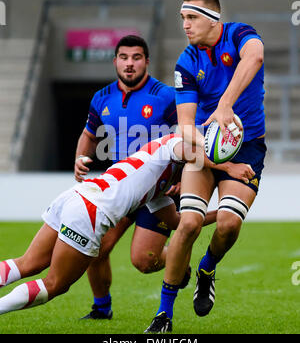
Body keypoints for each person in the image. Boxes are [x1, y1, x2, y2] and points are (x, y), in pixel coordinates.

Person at [0, 134, 254, 317]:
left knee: (27, 263)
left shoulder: (160, 188)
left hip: (75, 196)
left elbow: (177, 220)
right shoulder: (171, 144)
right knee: (56, 284)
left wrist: (223, 212)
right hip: (90, 211)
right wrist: (227, 166)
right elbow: (184, 150)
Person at [145, 0, 267, 333]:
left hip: (248, 147)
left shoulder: (240, 34)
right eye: (183, 18)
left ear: (214, 18)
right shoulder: (186, 60)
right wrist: (216, 158)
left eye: (192, 17)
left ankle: (207, 268)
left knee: (228, 224)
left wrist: (225, 104)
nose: (185, 25)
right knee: (188, 225)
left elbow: (255, 57)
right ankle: (163, 315)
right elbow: (186, 127)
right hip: (204, 149)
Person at [74, 34, 182, 320]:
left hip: (157, 192)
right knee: (93, 249)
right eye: (124, 58)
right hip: (119, 188)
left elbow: (187, 138)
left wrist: (183, 178)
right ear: (115, 62)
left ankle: (178, 256)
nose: (130, 64)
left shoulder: (167, 97)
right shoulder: (101, 98)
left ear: (146, 61)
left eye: (136, 58)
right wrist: (79, 159)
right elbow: (88, 134)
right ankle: (101, 308)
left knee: (144, 262)